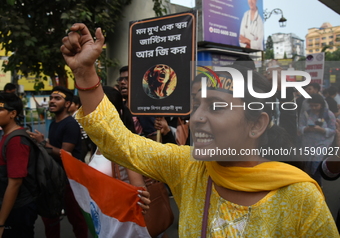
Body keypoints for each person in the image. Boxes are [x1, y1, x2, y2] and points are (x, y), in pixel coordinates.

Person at [61, 23, 339, 237]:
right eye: (196, 105)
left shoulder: (302, 198)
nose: (196, 119)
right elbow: (120, 143)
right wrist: (86, 73)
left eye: (216, 108)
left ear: (256, 124)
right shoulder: (189, 167)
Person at [28, 86, 88, 238]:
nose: (52, 101)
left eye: (57, 98)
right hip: (53, 177)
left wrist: (43, 143)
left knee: (76, 219)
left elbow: (65, 154)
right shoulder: (55, 123)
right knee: (50, 218)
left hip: (70, 180)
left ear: (67, 104)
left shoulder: (71, 124)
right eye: (51, 98)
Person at [0, 93, 38, 238]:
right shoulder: (7, 136)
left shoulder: (16, 141)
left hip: (17, 210)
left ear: (13, 114)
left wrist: (1, 222)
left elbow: (15, 183)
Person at [298, 93, 336, 185]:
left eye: (316, 105)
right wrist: (306, 129)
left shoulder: (328, 114)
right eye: (311, 106)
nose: (314, 108)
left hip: (322, 142)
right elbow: (300, 127)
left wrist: (322, 130)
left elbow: (333, 129)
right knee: (307, 164)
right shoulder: (306, 113)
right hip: (308, 143)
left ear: (321, 105)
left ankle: (318, 184)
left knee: (316, 163)